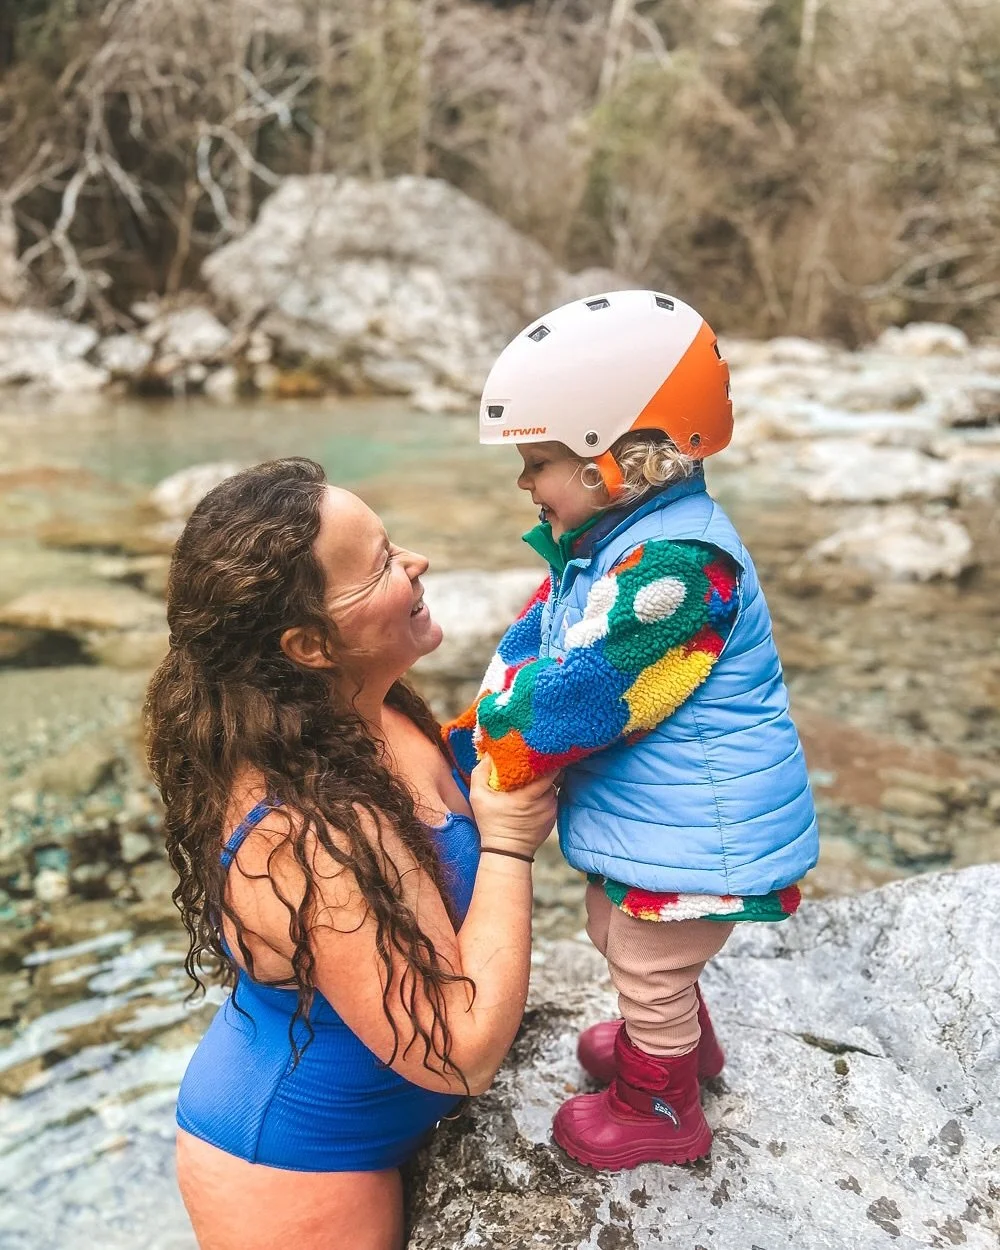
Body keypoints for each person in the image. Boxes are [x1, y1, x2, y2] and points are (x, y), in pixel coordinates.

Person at [445, 289, 819, 1172]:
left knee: (648, 958)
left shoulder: (682, 572)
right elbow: (537, 638)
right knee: (618, 933)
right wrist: (472, 727)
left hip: (702, 830)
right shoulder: (613, 543)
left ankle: (661, 1105)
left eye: (537, 461)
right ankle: (679, 1040)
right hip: (667, 818)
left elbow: (588, 695)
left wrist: (499, 746)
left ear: (617, 464)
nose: (524, 483)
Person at [144, 458, 557, 1250]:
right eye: (382, 566)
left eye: (393, 544)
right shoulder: (294, 831)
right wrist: (508, 846)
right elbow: (457, 1054)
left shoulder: (365, 710)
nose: (418, 564)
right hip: (298, 1164)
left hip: (362, 1129)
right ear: (309, 644)